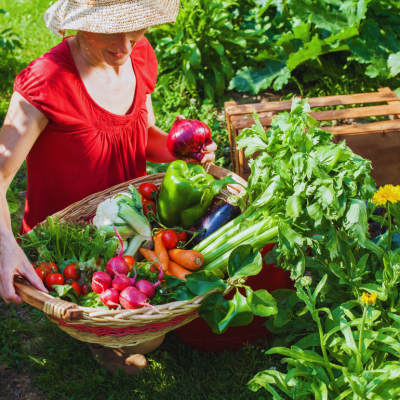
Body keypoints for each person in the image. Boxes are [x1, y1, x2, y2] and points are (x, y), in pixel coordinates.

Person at [0, 0, 217, 374]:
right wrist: (6, 246)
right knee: (150, 338)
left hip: (131, 221)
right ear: (80, 22)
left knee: (159, 318)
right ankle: (93, 328)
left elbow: (142, 134)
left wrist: (182, 153)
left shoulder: (140, 55)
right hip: (72, 240)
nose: (126, 44)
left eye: (136, 27)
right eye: (111, 28)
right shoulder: (48, 81)